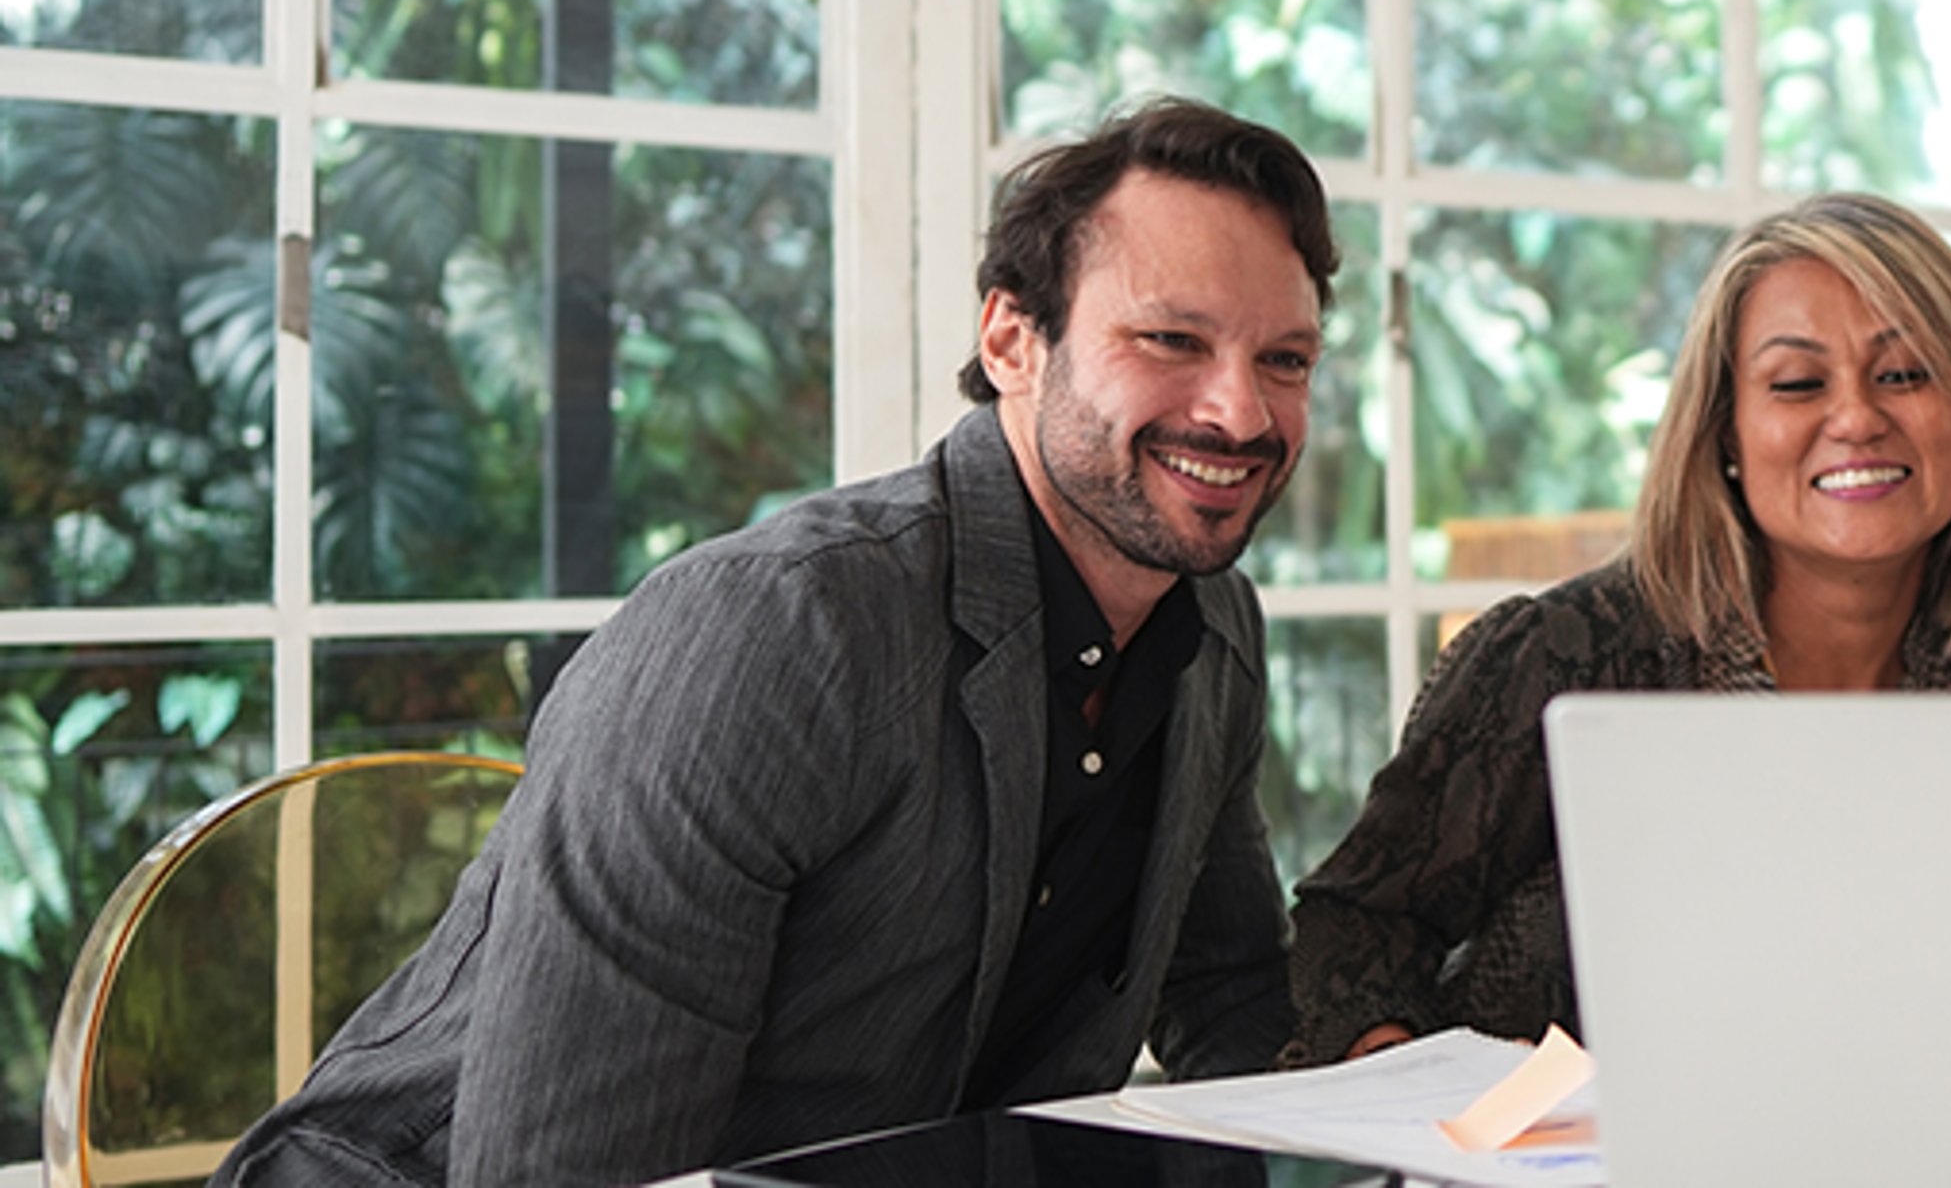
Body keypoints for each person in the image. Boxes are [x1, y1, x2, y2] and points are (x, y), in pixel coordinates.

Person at [216, 98, 1335, 1186]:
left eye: (1285, 359)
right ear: (1010, 341)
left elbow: (1235, 1001)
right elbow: (571, 1166)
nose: (1240, 414)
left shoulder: (1210, 631)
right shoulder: (779, 631)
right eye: (1172, 339)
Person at [1282, 192, 1951, 1066]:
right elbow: (1356, 928)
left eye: (1904, 374)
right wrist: (1419, 1099)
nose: (1857, 417)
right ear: (1727, 437)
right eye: (1797, 383)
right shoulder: (1565, 661)